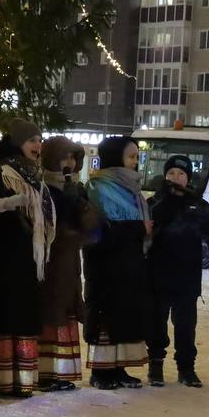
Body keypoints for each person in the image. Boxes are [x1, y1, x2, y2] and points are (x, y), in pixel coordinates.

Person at [146, 154, 209, 388]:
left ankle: (186, 368)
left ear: (188, 178)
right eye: (171, 173)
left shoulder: (198, 205)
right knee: (156, 323)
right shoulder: (154, 202)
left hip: (187, 275)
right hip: (158, 274)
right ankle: (155, 365)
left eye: (181, 174)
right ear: (165, 176)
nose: (176, 177)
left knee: (186, 325)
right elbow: (142, 236)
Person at [0, 119, 56, 398]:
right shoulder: (4, 173)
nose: (37, 145)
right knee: (6, 310)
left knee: (24, 311)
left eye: (39, 140)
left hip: (30, 256)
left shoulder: (35, 176)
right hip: (7, 255)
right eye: (31, 140)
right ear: (17, 143)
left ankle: (22, 378)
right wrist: (18, 223)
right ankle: (2, 378)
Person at [83, 136, 151, 390]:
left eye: (137, 157)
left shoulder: (132, 188)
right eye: (131, 157)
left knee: (125, 315)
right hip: (106, 266)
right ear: (115, 158)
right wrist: (139, 228)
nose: (135, 162)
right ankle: (102, 372)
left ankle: (119, 368)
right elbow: (101, 232)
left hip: (128, 263)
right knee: (107, 317)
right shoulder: (99, 187)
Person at [37, 136, 98, 391]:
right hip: (51, 260)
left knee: (65, 308)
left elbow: (92, 227)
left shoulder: (75, 188)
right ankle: (44, 372)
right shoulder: (43, 188)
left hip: (70, 260)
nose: (69, 163)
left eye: (73, 157)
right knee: (51, 309)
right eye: (64, 157)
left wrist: (80, 204)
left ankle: (59, 371)